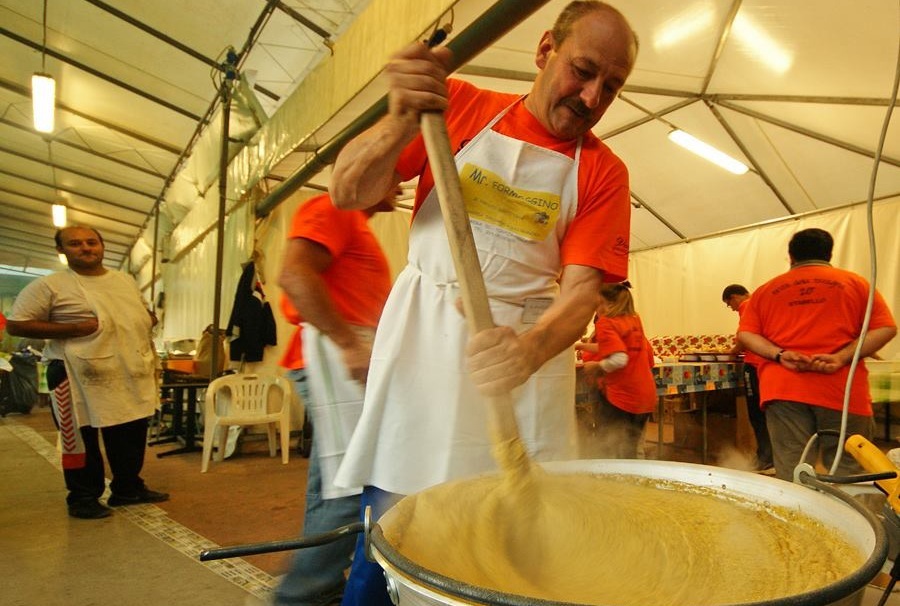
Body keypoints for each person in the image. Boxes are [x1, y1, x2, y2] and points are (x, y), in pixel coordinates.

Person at [328, 2, 639, 603]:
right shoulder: (460, 106)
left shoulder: (604, 171)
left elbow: (579, 295)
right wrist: (399, 118)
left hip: (525, 353)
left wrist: (528, 351)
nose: (593, 96)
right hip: (428, 340)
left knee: (512, 537)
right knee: (396, 516)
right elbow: (349, 189)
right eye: (583, 70)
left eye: (612, 85)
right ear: (545, 50)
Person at [273, 192, 394, 606]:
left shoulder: (356, 224)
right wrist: (347, 343)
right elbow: (294, 275)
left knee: (331, 483)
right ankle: (298, 595)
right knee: (352, 481)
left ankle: (317, 585)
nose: (399, 184)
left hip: (346, 352)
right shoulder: (334, 207)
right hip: (334, 354)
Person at [5, 226, 168, 519]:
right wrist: (73, 329)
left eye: (91, 242)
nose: (85, 248)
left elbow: (143, 312)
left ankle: (127, 488)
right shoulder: (49, 286)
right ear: (62, 251)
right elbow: (16, 324)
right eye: (75, 244)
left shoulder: (124, 281)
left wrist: (145, 320)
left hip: (127, 370)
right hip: (74, 373)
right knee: (79, 438)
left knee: (129, 434)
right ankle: (82, 497)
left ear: (102, 246)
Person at [737, 228, 897, 482]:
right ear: (829, 253)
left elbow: (745, 335)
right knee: (848, 467)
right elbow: (886, 328)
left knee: (794, 467)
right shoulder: (855, 283)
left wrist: (780, 354)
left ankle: (798, 518)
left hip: (784, 388)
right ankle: (849, 520)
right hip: (840, 389)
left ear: (791, 256)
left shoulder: (766, 290)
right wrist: (841, 357)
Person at [575, 282, 656, 459]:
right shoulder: (634, 320)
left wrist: (597, 366)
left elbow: (620, 358)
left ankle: (611, 484)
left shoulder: (606, 323)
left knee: (609, 447)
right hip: (645, 396)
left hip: (622, 397)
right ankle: (633, 484)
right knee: (630, 450)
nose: (596, 309)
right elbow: (617, 347)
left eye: (597, 304)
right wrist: (582, 345)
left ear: (607, 304)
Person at [722, 283, 773, 471]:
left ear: (735, 297)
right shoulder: (762, 304)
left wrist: (732, 352)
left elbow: (744, 336)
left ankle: (765, 458)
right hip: (768, 365)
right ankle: (769, 456)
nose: (732, 308)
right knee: (767, 412)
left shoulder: (746, 306)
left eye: (730, 304)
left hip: (755, 365)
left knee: (756, 413)